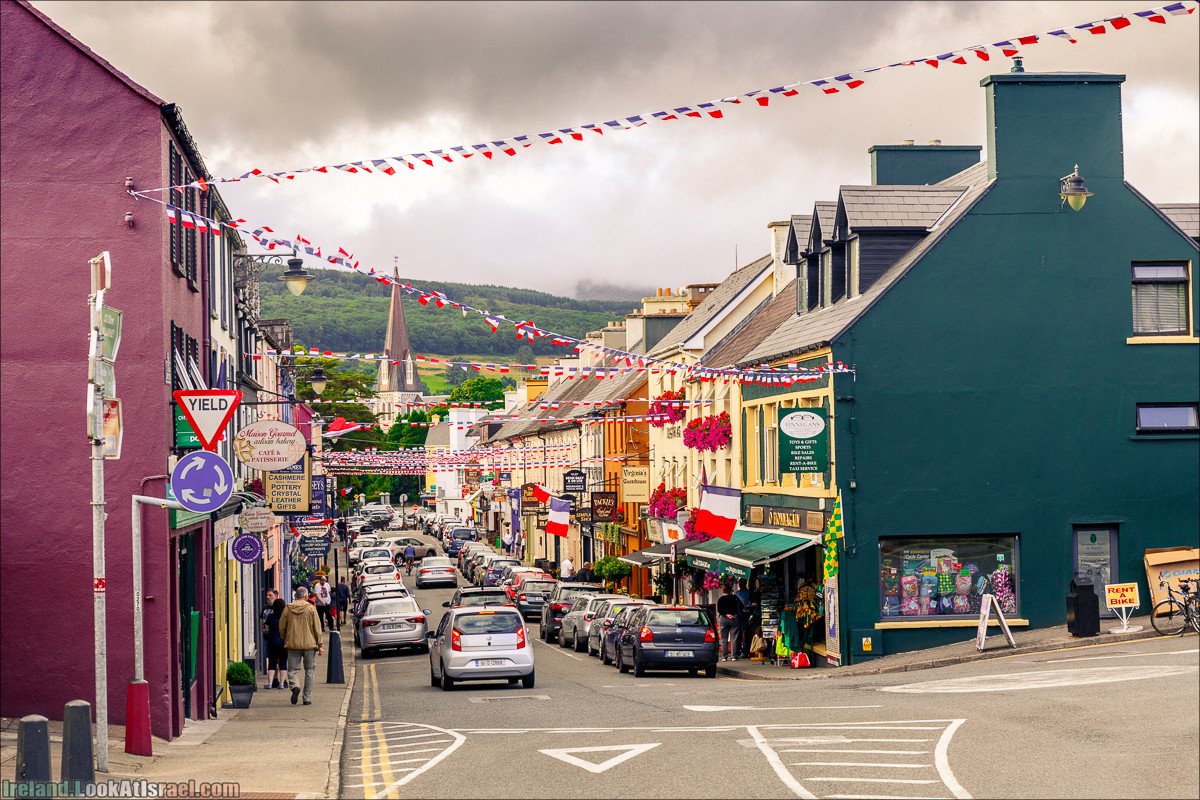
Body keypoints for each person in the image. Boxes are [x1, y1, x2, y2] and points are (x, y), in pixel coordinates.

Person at [279, 586, 324, 706]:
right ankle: (307, 698)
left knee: (292, 670)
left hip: (293, 645)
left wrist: (287, 638)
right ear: (306, 596)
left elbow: (282, 627)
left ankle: (295, 686)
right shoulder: (311, 609)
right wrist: (320, 644)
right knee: (310, 670)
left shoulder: (287, 609)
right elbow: (317, 628)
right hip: (310, 645)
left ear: (295, 596)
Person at [264, 598, 287, 689]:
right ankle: (281, 684)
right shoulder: (285, 617)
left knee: (272, 662)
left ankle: (270, 683)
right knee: (283, 663)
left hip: (272, 641)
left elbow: (267, 626)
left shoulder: (270, 616)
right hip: (283, 642)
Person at [716, 583, 743, 662]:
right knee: (734, 638)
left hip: (724, 618)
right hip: (734, 618)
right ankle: (734, 656)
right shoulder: (734, 597)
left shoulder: (721, 599)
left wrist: (727, 615)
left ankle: (724, 656)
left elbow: (719, 610)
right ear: (731, 589)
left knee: (724, 639)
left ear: (723, 590)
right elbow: (741, 606)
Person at [734, 578, 754, 658]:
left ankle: (744, 651)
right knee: (737, 633)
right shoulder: (736, 593)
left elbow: (752, 603)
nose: (740, 584)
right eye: (739, 582)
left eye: (742, 582)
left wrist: (749, 606)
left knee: (745, 633)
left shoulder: (748, 593)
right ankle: (737, 651)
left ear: (745, 583)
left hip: (746, 614)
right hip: (738, 614)